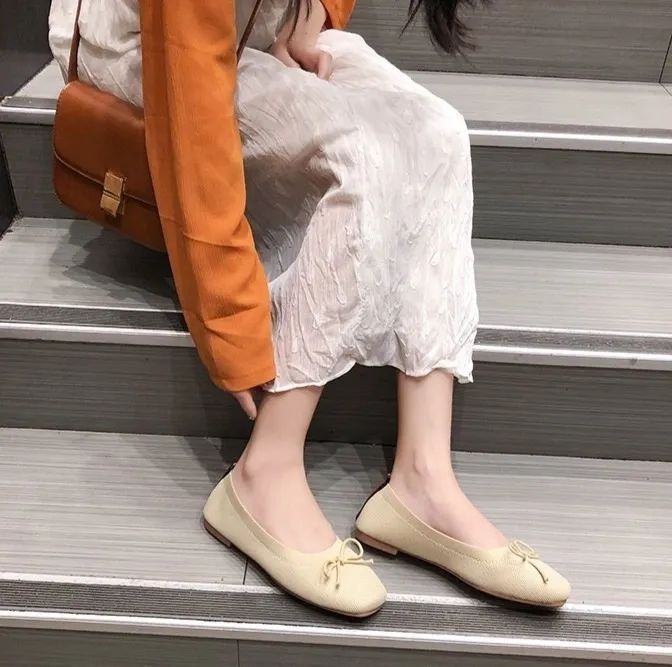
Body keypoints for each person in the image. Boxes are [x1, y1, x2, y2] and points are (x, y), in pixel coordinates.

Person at [49, 0, 570, 617]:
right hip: (142, 44)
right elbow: (192, 121)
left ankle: (423, 477)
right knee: (362, 154)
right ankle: (264, 469)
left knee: (439, 133)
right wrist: (230, 321)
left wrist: (308, 14)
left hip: (253, 28)